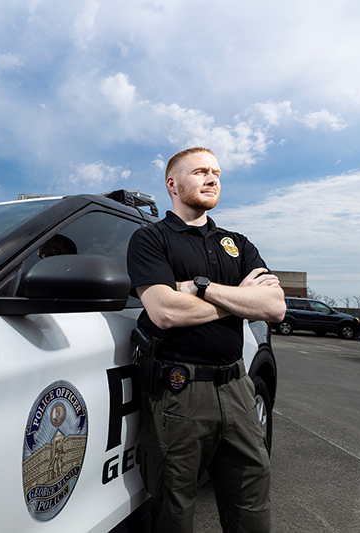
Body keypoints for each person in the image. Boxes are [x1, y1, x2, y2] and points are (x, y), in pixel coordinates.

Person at [126, 147, 285, 533]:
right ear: (173, 184)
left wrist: (202, 287)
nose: (212, 178)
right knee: (174, 510)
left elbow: (275, 307)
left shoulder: (238, 243)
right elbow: (166, 312)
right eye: (199, 172)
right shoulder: (151, 239)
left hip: (237, 389)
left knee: (251, 499)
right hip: (180, 395)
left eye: (216, 172)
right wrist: (240, 299)